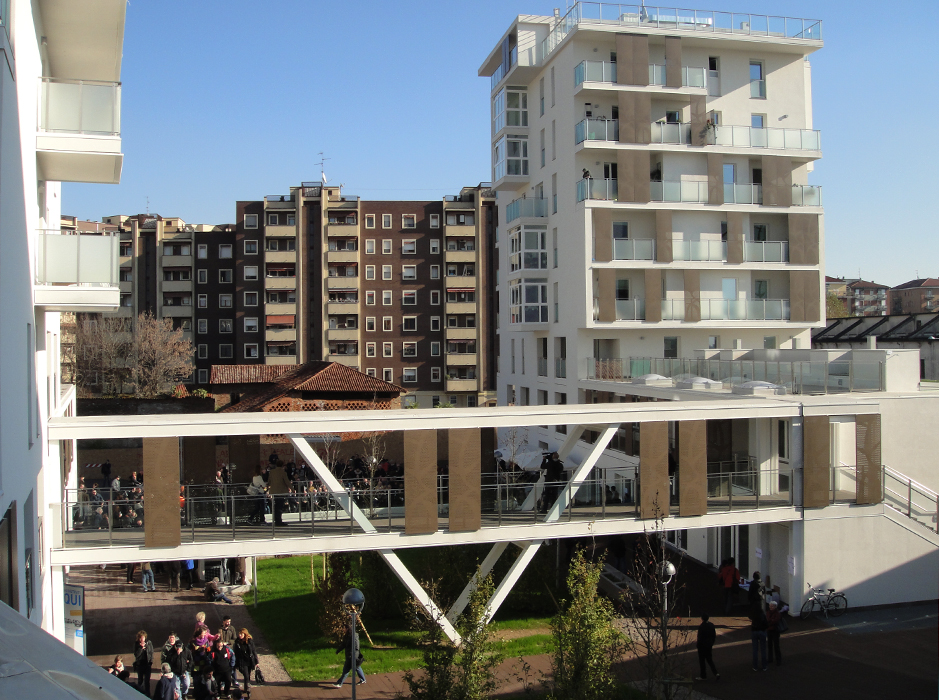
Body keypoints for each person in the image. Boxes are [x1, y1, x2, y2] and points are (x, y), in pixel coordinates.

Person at [332, 623, 366, 688]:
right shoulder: (346, 636)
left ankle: (339, 683)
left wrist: (353, 656)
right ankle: (363, 679)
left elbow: (357, 647)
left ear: (347, 629)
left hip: (352, 657)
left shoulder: (354, 636)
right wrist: (338, 650)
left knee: (346, 670)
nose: (342, 629)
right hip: (349, 656)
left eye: (343, 628)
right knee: (357, 667)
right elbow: (343, 644)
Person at [234, 628, 259, 696]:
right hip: (242, 661)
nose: (240, 635)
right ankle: (248, 689)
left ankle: (246, 687)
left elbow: (253, 651)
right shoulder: (237, 642)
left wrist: (256, 662)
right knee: (246, 675)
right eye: (239, 634)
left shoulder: (250, 642)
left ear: (245, 634)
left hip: (249, 661)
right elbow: (235, 652)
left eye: (241, 634)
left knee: (248, 675)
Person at [694, 614, 720, 681]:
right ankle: (716, 673)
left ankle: (703, 675)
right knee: (710, 660)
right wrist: (711, 643)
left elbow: (699, 637)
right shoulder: (711, 625)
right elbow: (713, 636)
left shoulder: (701, 626)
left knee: (702, 661)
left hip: (702, 646)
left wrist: (698, 645)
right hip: (709, 645)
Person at [267, 460, 292, 526]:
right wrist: (292, 489)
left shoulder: (272, 472)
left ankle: (276, 520)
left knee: (276, 506)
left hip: (274, 491)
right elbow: (287, 482)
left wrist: (268, 487)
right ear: (282, 465)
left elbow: (269, 481)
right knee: (279, 507)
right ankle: (278, 521)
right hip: (281, 492)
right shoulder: (283, 472)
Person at [132, 630, 154, 695]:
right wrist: (141, 648)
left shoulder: (149, 643)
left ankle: (147, 694)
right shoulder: (136, 644)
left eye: (143, 638)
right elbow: (136, 655)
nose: (142, 639)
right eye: (141, 638)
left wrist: (151, 661)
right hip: (140, 665)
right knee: (140, 681)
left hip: (147, 664)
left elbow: (151, 652)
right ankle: (140, 694)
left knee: (147, 681)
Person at [749, 603, 768, 671]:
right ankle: (764, 666)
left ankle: (755, 666)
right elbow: (766, 624)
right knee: (763, 649)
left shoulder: (753, 615)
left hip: (754, 632)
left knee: (755, 650)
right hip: (762, 632)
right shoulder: (762, 615)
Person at [766, 600, 784, 666]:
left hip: (774, 631)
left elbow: (774, 621)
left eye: (772, 606)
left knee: (776, 646)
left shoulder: (776, 613)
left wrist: (769, 621)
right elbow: (773, 620)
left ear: (775, 606)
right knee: (770, 645)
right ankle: (773, 659)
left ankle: (777, 660)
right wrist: (771, 621)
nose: (771, 607)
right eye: (770, 606)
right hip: (771, 630)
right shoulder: (776, 613)